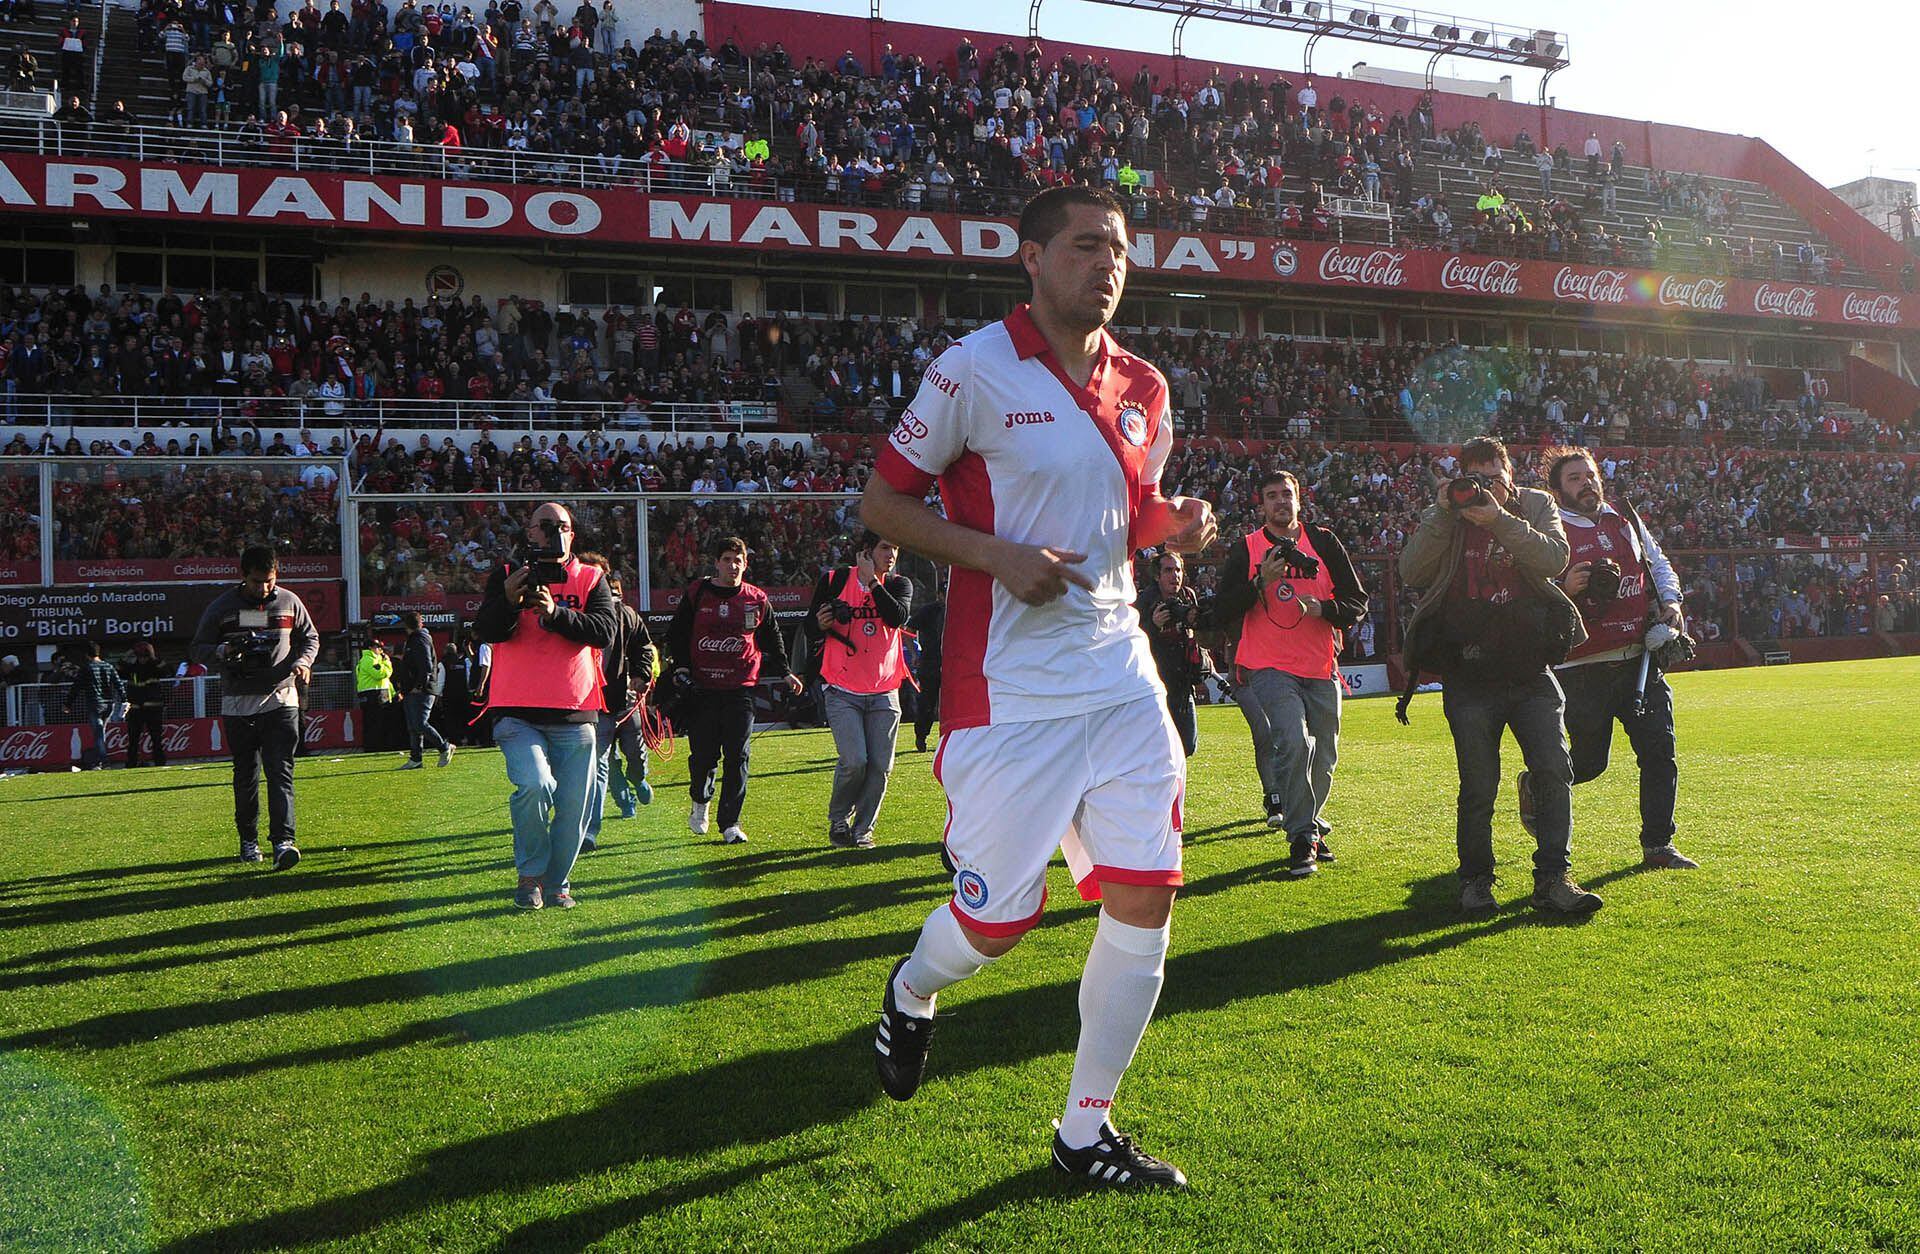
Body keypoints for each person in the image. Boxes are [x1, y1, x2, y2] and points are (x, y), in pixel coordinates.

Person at [861, 185, 1216, 1188]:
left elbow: (1127, 515)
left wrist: (1171, 526)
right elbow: (881, 502)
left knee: (1147, 895)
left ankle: (1083, 1131)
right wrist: (993, 554)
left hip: (1120, 674)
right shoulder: (972, 368)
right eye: (1083, 245)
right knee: (995, 925)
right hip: (1009, 694)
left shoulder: (1144, 384)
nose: (1105, 263)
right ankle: (912, 991)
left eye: (1118, 250)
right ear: (1029, 256)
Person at [1398, 437, 1600, 915]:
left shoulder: (1535, 503)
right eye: (1475, 480)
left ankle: (1553, 878)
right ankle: (1476, 881)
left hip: (1530, 668)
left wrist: (1500, 519)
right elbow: (1411, 571)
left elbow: (1555, 558)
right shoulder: (1449, 515)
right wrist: (1444, 510)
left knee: (1554, 770)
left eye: (1494, 478)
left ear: (1510, 475)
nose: (1485, 490)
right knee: (1478, 785)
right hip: (1469, 672)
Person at [1545, 448, 1698, 870]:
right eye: (1575, 478)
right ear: (1556, 489)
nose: (1586, 483)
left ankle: (1658, 846)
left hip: (1639, 659)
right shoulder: (1551, 529)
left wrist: (1672, 602)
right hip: (1581, 668)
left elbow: (1659, 564)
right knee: (1590, 763)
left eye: (1590, 475)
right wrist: (1564, 585)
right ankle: (1538, 787)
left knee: (1659, 752)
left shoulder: (1623, 519)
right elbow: (1533, 591)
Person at [1212, 470, 1369, 875]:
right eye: (1271, 496)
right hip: (1267, 665)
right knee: (1293, 740)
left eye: (1287, 494)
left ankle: (1310, 825)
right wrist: (1259, 582)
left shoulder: (1323, 542)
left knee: (1325, 753)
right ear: (1260, 505)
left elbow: (1357, 601)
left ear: (1299, 500)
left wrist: (1327, 610)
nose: (1280, 502)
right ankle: (1301, 837)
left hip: (1319, 664)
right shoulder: (1246, 548)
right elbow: (1220, 609)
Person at [472, 501, 618, 910]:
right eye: (545, 525)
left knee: (574, 809)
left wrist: (555, 614)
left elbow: (605, 631)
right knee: (534, 785)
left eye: (563, 526)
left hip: (576, 710)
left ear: (573, 534)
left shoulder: (592, 577)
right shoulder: (506, 576)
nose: (555, 532)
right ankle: (530, 877)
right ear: (529, 532)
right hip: (516, 710)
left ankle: (558, 883)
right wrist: (508, 600)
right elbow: (484, 631)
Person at [665, 535, 803, 845]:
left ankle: (730, 823)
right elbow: (676, 634)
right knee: (703, 756)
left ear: (746, 563)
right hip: (703, 688)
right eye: (726, 559)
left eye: (737, 559)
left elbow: (773, 638)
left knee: (738, 756)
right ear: (716, 563)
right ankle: (700, 801)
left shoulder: (756, 599)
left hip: (740, 689)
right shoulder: (697, 593)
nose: (733, 564)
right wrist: (682, 668)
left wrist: (784, 673)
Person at [190, 545, 320, 869]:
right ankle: (248, 840)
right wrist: (222, 650)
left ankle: (284, 842)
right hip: (239, 703)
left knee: (281, 772)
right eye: (256, 581)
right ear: (242, 576)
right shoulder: (222, 607)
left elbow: (310, 638)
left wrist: (303, 662)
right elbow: (197, 648)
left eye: (270, 580)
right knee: (245, 776)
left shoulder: (290, 601)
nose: (264, 588)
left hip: (281, 699)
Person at [806, 531, 913, 849]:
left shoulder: (897, 584)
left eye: (895, 547)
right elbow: (809, 627)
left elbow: (897, 617)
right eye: (884, 547)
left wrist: (873, 583)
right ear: (866, 552)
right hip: (842, 688)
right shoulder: (836, 580)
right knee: (855, 761)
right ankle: (839, 818)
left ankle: (863, 828)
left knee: (881, 766)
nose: (891, 554)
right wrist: (821, 623)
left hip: (884, 689)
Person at [579, 558, 656, 852]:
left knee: (634, 757)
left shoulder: (626, 614)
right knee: (598, 767)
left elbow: (644, 647)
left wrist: (641, 674)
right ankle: (590, 831)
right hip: (592, 706)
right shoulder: (574, 614)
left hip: (624, 702)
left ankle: (639, 781)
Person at [1134, 551, 1207, 759]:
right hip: (1154, 683)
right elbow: (1132, 640)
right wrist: (1153, 626)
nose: (1174, 576)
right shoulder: (1144, 602)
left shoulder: (1188, 596)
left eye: (1178, 570)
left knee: (1187, 744)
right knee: (1156, 745)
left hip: (1182, 682)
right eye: (1168, 570)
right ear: (1157, 576)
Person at [394, 610, 454, 769]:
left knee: (419, 724)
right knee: (414, 727)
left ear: (406, 625)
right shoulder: (419, 639)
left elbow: (426, 666)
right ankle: (416, 758)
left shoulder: (418, 640)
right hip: (417, 689)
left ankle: (444, 747)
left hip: (421, 690)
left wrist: (418, 686)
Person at [67, 640, 126, 770]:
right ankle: (99, 760)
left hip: (94, 703)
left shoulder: (87, 668)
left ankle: (103, 761)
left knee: (98, 733)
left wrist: (68, 704)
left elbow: (76, 687)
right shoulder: (108, 666)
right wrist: (124, 699)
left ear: (86, 654)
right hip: (108, 703)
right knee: (101, 732)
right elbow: (118, 684)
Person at [907, 575, 945, 753]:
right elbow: (908, 630)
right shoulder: (929, 611)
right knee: (927, 704)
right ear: (939, 595)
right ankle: (921, 735)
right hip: (930, 663)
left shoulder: (959, 610)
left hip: (953, 664)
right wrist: (915, 652)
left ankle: (948, 738)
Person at [121, 641, 171, 767]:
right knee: (133, 739)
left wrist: (154, 658)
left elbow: (167, 671)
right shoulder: (132, 668)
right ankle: (131, 763)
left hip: (153, 709)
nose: (142, 659)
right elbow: (119, 670)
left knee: (156, 738)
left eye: (145, 656)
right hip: (135, 709)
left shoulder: (155, 666)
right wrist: (125, 657)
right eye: (140, 656)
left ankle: (159, 762)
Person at [355, 640, 394, 750]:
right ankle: (375, 746)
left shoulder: (370, 660)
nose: (381, 650)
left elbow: (385, 680)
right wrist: (387, 662)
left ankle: (375, 746)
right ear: (371, 648)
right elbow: (381, 674)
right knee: (376, 722)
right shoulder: (370, 659)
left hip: (373, 694)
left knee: (374, 722)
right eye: (379, 647)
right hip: (374, 695)